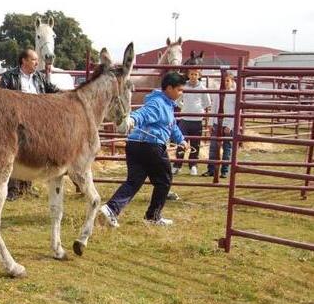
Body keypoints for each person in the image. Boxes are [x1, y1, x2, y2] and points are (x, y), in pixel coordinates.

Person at [99, 72, 189, 227]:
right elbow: (142, 114)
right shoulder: (158, 104)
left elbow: (171, 125)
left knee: (134, 181)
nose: (182, 93)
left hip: (134, 145)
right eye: (180, 90)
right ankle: (153, 217)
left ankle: (110, 209)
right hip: (150, 146)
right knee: (164, 181)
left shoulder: (167, 104)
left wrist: (181, 140)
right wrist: (130, 120)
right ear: (169, 88)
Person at [0, 48, 60, 200]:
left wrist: (69, 95)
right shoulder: (9, 77)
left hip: (36, 122)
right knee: (14, 153)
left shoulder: (39, 77)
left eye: (36, 59)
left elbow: (52, 90)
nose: (37, 62)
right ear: (24, 61)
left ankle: (27, 188)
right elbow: (1, 98)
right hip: (16, 122)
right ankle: (12, 189)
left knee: (31, 152)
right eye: (33, 59)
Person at [173, 68, 211, 176]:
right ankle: (177, 165)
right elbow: (177, 100)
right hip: (185, 119)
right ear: (188, 75)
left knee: (195, 144)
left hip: (197, 120)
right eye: (192, 74)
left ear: (199, 76)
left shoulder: (203, 88)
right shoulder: (184, 86)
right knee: (181, 142)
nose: (193, 76)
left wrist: (199, 109)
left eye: (196, 74)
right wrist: (183, 107)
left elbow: (207, 102)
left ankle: (193, 166)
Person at [202, 72, 236, 178]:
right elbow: (214, 107)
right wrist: (211, 123)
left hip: (227, 125)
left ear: (232, 81)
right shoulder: (218, 93)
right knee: (213, 147)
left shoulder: (234, 94)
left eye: (227, 81)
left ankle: (224, 171)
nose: (225, 83)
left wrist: (230, 125)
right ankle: (211, 169)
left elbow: (236, 111)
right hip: (217, 123)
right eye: (223, 81)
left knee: (227, 148)